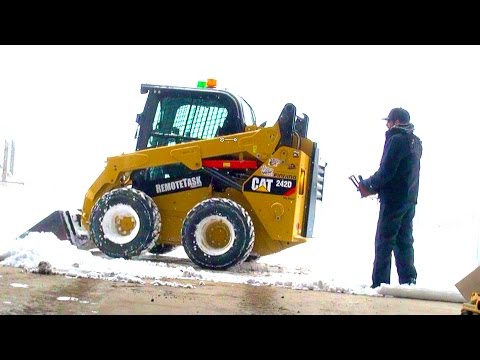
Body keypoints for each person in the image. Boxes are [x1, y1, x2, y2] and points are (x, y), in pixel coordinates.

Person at [359, 107, 423, 288]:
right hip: (409, 199)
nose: (386, 125)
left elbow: (387, 172)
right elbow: (404, 173)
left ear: (396, 122)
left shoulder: (396, 140)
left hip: (393, 200)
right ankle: (408, 281)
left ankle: (380, 283)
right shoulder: (416, 142)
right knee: (404, 241)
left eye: (388, 121)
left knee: (384, 241)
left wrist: (368, 184)